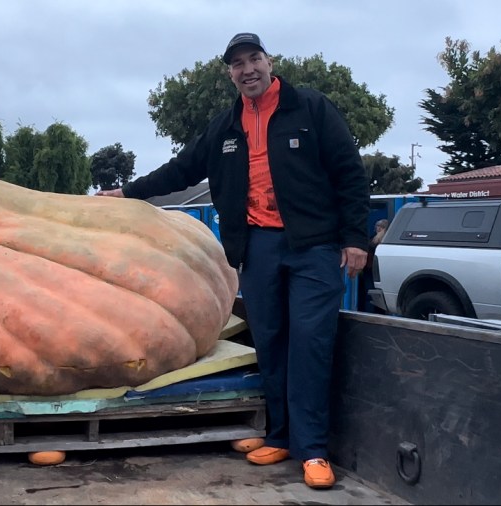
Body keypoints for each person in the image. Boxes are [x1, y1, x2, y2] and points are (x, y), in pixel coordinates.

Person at [96, 33, 369, 489]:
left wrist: (355, 238)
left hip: (314, 246)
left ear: (269, 61)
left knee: (311, 343)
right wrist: (127, 192)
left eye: (254, 59)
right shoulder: (225, 127)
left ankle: (314, 449)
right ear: (230, 73)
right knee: (271, 343)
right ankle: (281, 436)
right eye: (237, 64)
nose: (248, 70)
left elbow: (349, 172)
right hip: (257, 247)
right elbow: (181, 168)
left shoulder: (310, 109)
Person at [360, 219, 389, 313]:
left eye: (382, 226)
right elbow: (369, 248)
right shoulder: (372, 238)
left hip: (381, 271)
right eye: (377, 226)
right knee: (369, 293)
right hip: (369, 270)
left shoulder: (387, 240)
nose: (378, 228)